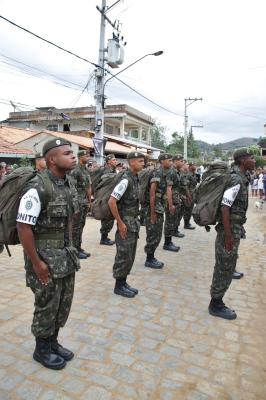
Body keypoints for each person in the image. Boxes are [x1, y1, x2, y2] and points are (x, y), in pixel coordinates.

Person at [16, 137, 80, 370]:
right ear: (52, 159)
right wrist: (36, 263)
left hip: (64, 258)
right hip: (44, 259)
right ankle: (41, 349)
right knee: (46, 304)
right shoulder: (37, 187)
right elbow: (23, 227)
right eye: (67, 153)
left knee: (62, 302)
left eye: (72, 152)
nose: (73, 156)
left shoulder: (67, 183)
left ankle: (52, 342)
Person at [209, 148, 255, 320]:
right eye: (251, 158)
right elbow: (225, 207)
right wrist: (228, 235)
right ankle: (216, 304)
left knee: (227, 264)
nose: (254, 160)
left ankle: (217, 300)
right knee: (224, 266)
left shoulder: (240, 177)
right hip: (228, 230)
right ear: (243, 160)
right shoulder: (235, 179)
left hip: (234, 228)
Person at [108, 151, 145, 297]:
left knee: (130, 254)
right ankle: (118, 286)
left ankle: (123, 282)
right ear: (132, 163)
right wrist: (120, 222)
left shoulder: (135, 178)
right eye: (140, 161)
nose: (143, 163)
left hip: (133, 222)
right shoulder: (125, 180)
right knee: (123, 254)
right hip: (126, 223)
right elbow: (112, 201)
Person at [144, 153, 173, 269]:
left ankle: (151, 257)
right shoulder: (157, 173)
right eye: (168, 160)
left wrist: (168, 205)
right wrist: (152, 213)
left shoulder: (165, 173)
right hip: (154, 208)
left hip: (159, 206)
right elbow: (152, 194)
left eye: (171, 160)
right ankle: (149, 259)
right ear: (161, 162)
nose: (171, 162)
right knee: (153, 234)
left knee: (157, 233)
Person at [70, 150, 92, 259]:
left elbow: (88, 186)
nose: (88, 157)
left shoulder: (85, 169)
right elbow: (72, 187)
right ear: (80, 157)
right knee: (76, 227)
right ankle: (74, 250)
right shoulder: (75, 170)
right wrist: (75, 204)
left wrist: (89, 201)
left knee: (81, 226)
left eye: (88, 155)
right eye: (86, 156)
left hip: (84, 202)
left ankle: (78, 247)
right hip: (77, 202)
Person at [163, 156, 181, 252]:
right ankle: (167, 243)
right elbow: (168, 189)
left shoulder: (174, 171)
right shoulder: (171, 172)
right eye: (181, 161)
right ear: (175, 161)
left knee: (172, 221)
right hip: (171, 200)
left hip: (174, 199)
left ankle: (169, 241)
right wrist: (170, 204)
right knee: (169, 221)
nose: (182, 162)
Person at [100, 154, 117, 245]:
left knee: (110, 218)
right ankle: (103, 238)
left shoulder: (113, 170)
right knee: (106, 218)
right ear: (108, 162)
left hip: (110, 196)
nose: (116, 161)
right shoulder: (106, 171)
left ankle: (105, 236)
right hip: (106, 197)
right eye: (114, 160)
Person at [183, 162, 197, 229]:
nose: (195, 166)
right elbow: (186, 187)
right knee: (187, 210)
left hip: (193, 194)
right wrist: (188, 196)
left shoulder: (194, 174)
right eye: (194, 165)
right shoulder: (188, 175)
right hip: (189, 195)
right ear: (190, 167)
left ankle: (187, 223)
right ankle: (186, 224)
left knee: (190, 210)